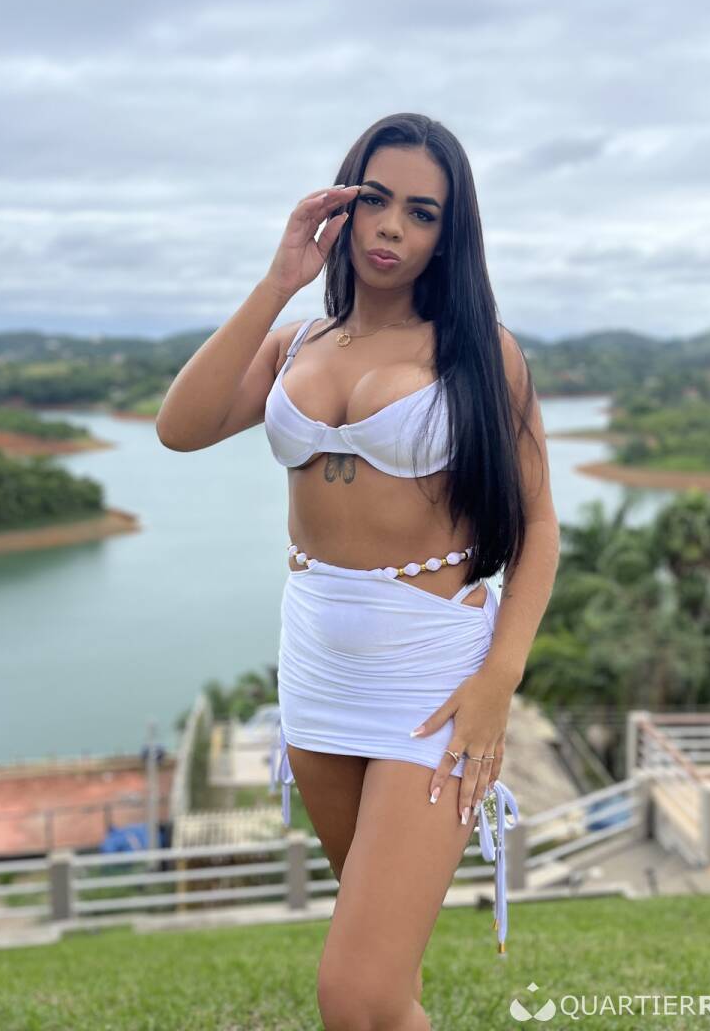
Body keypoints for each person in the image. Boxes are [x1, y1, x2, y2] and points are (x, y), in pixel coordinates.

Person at [156, 113, 560, 1031]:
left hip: (432, 678)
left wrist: (498, 680)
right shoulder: (296, 341)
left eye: (421, 213)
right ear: (342, 204)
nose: (390, 228)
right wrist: (279, 281)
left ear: (447, 235)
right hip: (318, 670)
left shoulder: (480, 353)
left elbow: (539, 527)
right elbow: (180, 428)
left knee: (356, 994)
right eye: (375, 199)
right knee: (384, 985)